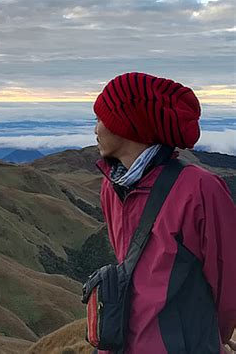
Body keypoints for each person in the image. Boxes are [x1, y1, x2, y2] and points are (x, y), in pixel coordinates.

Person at [92, 72, 236, 353]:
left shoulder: (200, 189)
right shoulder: (111, 188)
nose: (95, 129)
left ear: (127, 125)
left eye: (101, 118)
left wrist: (212, 338)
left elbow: (228, 281)